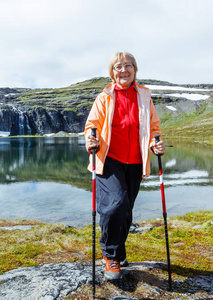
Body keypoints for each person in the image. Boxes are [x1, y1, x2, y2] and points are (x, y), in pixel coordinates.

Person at [85, 51, 166, 280]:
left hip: (135, 162)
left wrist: (154, 144)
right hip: (108, 159)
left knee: (126, 211)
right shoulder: (105, 97)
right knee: (115, 205)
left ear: (135, 70)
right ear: (112, 72)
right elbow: (92, 125)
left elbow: (154, 127)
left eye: (128, 65)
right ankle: (110, 256)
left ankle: (119, 253)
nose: (124, 70)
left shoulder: (144, 96)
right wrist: (91, 139)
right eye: (118, 66)